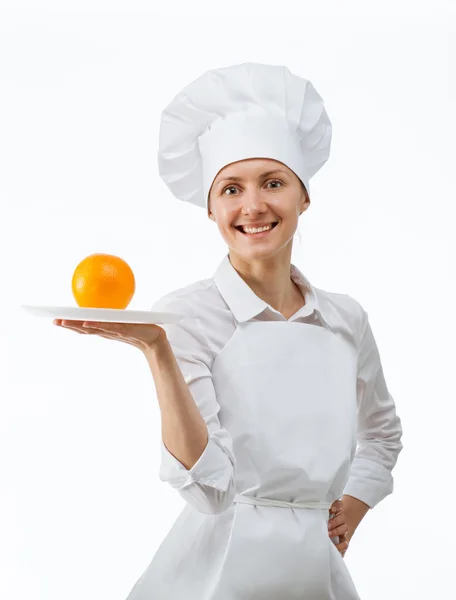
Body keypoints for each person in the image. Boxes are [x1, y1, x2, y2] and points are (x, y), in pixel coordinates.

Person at [55, 62, 403, 599]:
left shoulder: (346, 318)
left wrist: (357, 499)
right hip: (216, 568)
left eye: (273, 182)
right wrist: (158, 350)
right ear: (211, 208)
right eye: (231, 189)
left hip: (315, 568)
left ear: (303, 196)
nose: (253, 205)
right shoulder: (183, 316)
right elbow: (210, 489)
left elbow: (381, 432)